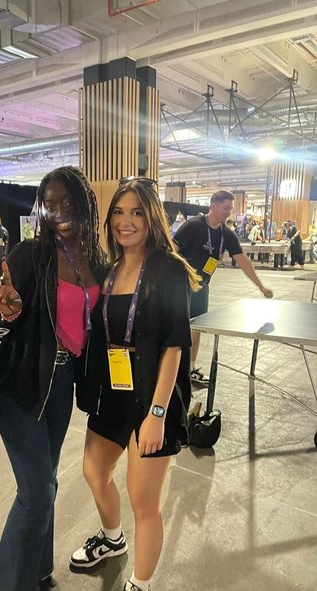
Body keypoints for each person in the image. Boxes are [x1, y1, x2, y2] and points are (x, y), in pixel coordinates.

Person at [0, 166, 106, 591]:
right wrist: (6, 310)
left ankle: (37, 569)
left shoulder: (96, 260)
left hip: (62, 384)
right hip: (21, 383)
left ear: (85, 204)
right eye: (50, 205)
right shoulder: (30, 254)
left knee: (47, 482)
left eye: (67, 203)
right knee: (35, 492)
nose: (58, 213)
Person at [70, 177, 200, 591]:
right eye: (119, 212)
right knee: (94, 471)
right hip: (112, 393)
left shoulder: (169, 270)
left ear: (152, 218)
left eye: (137, 213)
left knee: (144, 501)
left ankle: (140, 584)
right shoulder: (109, 270)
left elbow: (175, 347)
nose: (125, 222)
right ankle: (112, 539)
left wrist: (157, 414)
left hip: (152, 397)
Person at [173, 190, 273, 386]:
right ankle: (170, 369)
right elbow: (171, 250)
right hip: (180, 285)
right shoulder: (193, 225)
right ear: (213, 205)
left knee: (196, 327)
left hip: (201, 287)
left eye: (230, 209)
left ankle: (190, 369)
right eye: (226, 208)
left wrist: (261, 287)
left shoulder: (226, 234)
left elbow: (242, 260)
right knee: (176, 327)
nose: (228, 212)